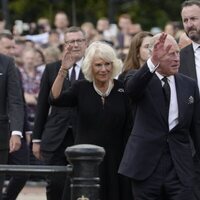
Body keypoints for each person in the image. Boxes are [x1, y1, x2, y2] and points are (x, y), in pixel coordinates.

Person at [118, 32, 200, 200]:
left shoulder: (189, 85)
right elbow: (132, 90)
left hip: (180, 168)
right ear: (155, 54)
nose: (177, 58)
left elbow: (196, 128)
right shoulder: (137, 77)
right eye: (171, 54)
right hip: (146, 167)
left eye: (178, 53)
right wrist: (152, 63)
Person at [49, 41, 133, 200]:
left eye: (107, 64)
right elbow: (55, 98)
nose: (104, 69)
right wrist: (63, 70)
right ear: (90, 67)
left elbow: (129, 126)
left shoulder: (122, 89)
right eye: (98, 65)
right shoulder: (81, 88)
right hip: (86, 160)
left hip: (116, 161)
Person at [32, 26, 86, 200]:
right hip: (56, 138)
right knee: (55, 185)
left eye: (79, 41)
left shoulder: (96, 67)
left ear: (86, 43)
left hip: (84, 136)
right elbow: (42, 106)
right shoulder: (52, 69)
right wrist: (36, 139)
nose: (75, 45)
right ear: (65, 45)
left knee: (81, 187)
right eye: (71, 41)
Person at [0, 32, 29, 200]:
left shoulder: (8, 63)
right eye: (7, 47)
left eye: (13, 47)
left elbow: (16, 101)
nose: (12, 51)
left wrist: (17, 131)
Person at [180, 1, 200, 199]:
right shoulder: (179, 58)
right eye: (185, 20)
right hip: (193, 144)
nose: (189, 24)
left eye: (193, 18)